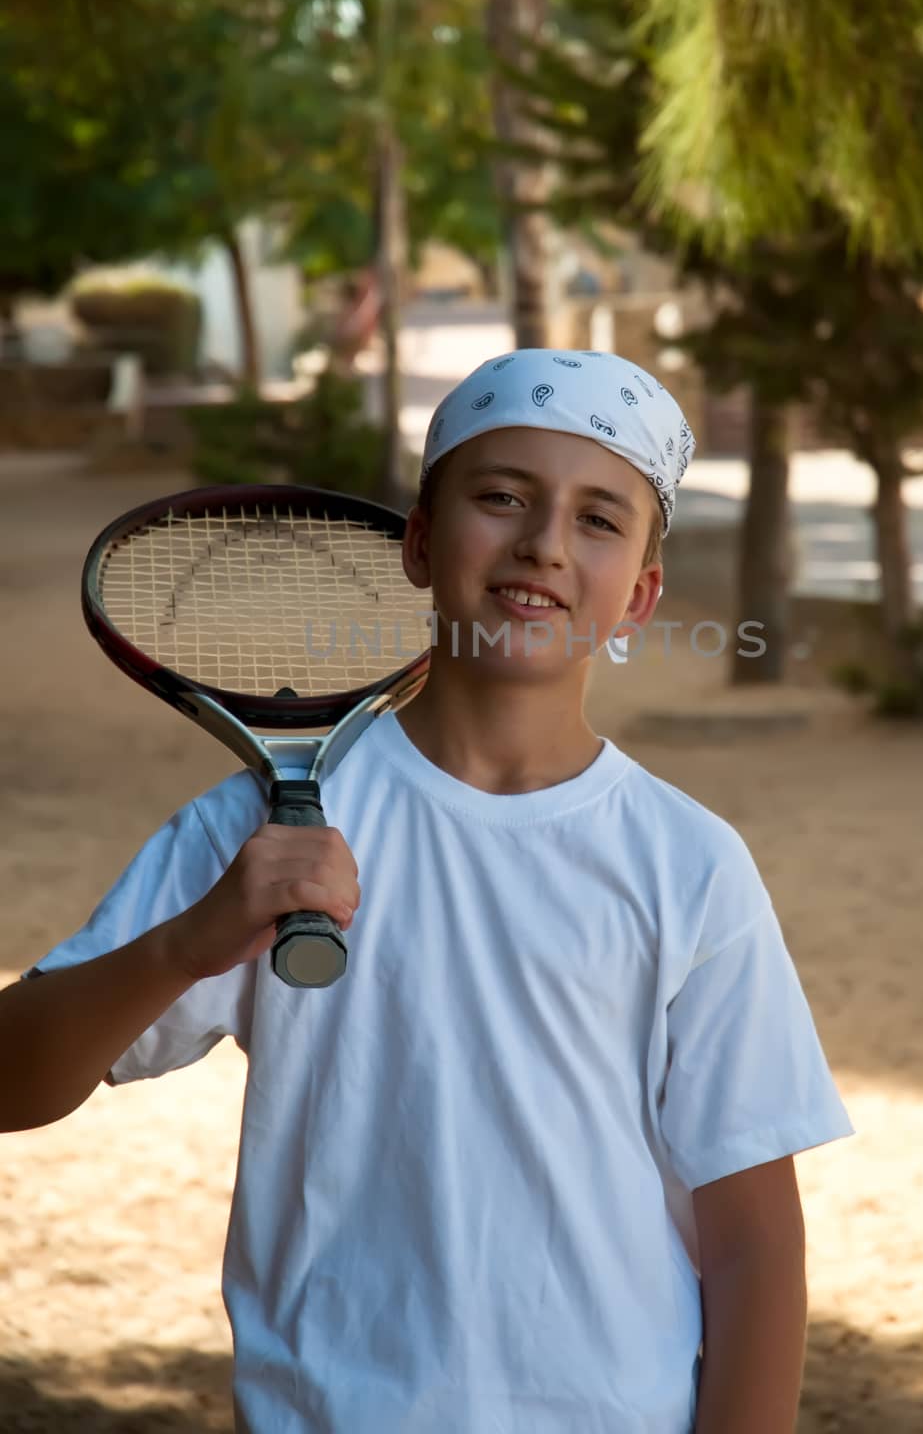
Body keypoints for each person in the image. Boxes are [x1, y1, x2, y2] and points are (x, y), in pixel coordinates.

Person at [0, 347, 854, 1433]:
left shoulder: (687, 863)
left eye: (598, 519)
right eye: (500, 497)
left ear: (638, 597)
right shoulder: (258, 826)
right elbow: (12, 1081)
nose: (542, 543)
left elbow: (753, 1244)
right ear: (416, 540)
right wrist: (189, 942)